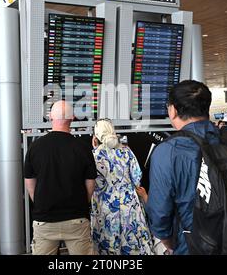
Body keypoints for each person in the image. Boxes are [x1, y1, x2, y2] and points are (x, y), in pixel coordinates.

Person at [145, 80, 227, 255]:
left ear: (173, 110)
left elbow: (159, 215)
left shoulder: (168, 152)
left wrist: (171, 243)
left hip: (194, 246)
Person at [24, 100, 97, 255]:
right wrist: (81, 205)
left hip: (44, 220)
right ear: (72, 118)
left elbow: (30, 183)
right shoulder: (82, 148)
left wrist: (40, 204)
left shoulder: (35, 147)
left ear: (50, 117)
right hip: (76, 219)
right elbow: (90, 184)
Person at [90, 119, 152, 255]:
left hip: (104, 209)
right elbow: (137, 177)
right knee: (133, 244)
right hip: (129, 206)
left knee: (107, 246)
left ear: (96, 137)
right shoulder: (126, 151)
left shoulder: (94, 156)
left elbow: (91, 183)